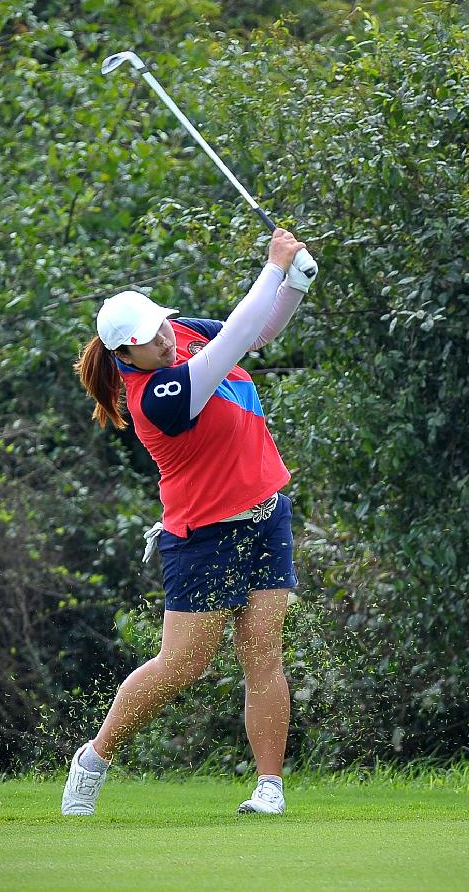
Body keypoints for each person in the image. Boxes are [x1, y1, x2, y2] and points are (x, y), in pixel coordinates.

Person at [61, 228, 318, 816]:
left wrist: (296, 282)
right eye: (148, 341)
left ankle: (269, 788)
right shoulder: (160, 395)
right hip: (203, 535)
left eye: (161, 326)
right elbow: (233, 341)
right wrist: (273, 264)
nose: (164, 340)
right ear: (126, 357)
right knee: (184, 665)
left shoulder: (173, 336)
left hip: (265, 514)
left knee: (264, 655)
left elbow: (261, 330)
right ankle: (94, 758)